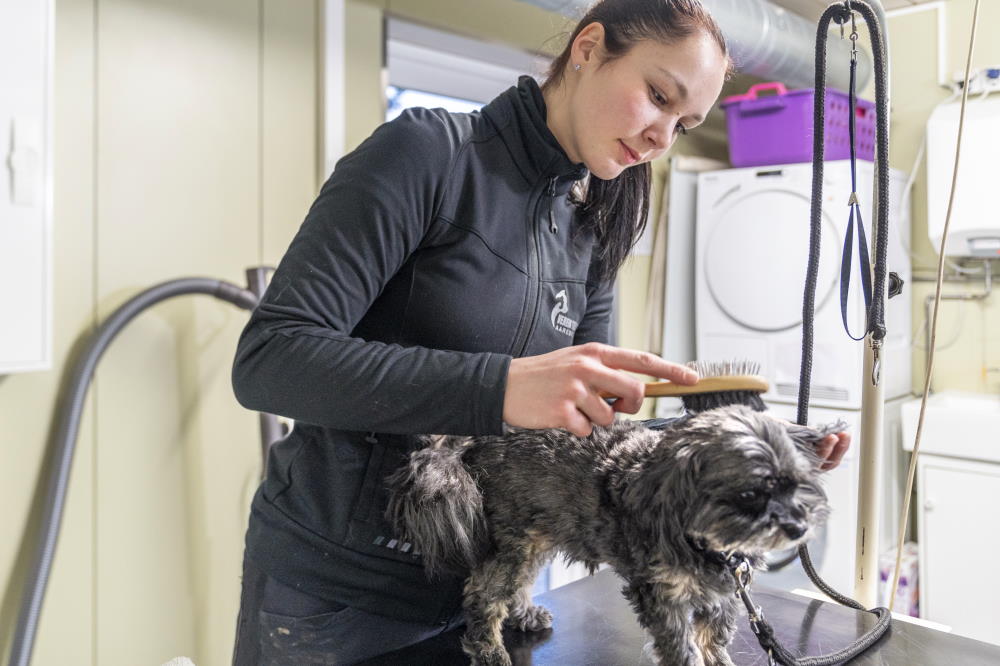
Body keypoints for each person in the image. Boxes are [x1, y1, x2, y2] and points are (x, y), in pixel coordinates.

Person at [230, 0, 850, 663]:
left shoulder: (595, 220)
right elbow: (272, 359)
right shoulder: (427, 154)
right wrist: (500, 387)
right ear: (588, 48)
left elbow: (595, 434)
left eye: (684, 122)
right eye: (656, 96)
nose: (661, 137)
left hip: (493, 586)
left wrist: (750, 453)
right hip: (343, 594)